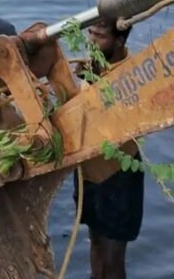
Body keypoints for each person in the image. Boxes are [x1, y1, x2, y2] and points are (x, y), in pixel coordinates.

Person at [73, 19, 143, 279]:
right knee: (96, 244)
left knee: (114, 261)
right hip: (89, 173)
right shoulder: (90, 66)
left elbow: (121, 122)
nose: (91, 40)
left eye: (100, 36)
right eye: (90, 32)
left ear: (119, 41)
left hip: (119, 176)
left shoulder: (133, 75)